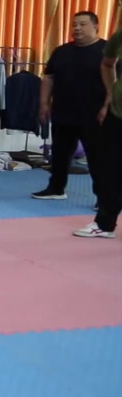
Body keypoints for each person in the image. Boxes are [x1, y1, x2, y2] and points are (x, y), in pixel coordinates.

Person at [32, 11, 107, 204]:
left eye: (82, 24)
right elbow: (49, 78)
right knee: (60, 154)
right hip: (63, 112)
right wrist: (44, 103)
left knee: (98, 158)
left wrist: (108, 106)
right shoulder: (61, 51)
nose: (77, 28)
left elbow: (116, 83)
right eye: (74, 24)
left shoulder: (107, 51)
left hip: (95, 114)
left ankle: (104, 198)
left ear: (96, 26)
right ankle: (56, 188)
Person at [75, 26, 122, 239]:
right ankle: (105, 224)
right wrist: (111, 94)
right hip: (117, 113)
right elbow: (107, 64)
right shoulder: (120, 35)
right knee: (110, 169)